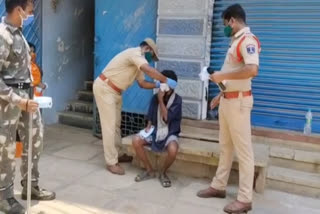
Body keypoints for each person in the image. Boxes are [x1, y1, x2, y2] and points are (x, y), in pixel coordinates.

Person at [196, 4, 261, 214]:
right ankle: (219, 186)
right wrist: (220, 94)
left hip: (239, 104)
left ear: (233, 20)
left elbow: (252, 70)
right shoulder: (236, 42)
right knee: (225, 146)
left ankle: (244, 199)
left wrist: (222, 77)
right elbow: (234, 74)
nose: (225, 29)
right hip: (228, 100)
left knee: (244, 152)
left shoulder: (247, 40)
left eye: (226, 24)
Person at [0, 1, 55, 213]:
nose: (32, 13)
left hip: (27, 96)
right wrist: (17, 99)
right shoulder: (3, 35)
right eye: (30, 10)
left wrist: (30, 95)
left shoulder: (19, 33)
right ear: (18, 9)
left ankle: (30, 186)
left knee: (35, 139)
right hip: (8, 102)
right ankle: (4, 196)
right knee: (6, 149)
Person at [93, 38, 178, 175]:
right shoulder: (135, 54)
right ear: (148, 49)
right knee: (109, 126)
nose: (152, 59)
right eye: (152, 55)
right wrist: (165, 80)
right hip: (105, 88)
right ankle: (111, 162)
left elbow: (142, 83)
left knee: (115, 125)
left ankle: (118, 153)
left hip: (115, 92)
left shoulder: (137, 64)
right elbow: (147, 69)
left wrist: (157, 85)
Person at [132, 70, 182, 188]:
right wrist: (148, 127)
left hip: (170, 131)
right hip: (155, 131)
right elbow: (151, 114)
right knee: (136, 140)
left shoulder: (177, 100)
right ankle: (149, 170)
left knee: (173, 149)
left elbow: (166, 118)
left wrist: (161, 99)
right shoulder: (155, 97)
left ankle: (163, 172)